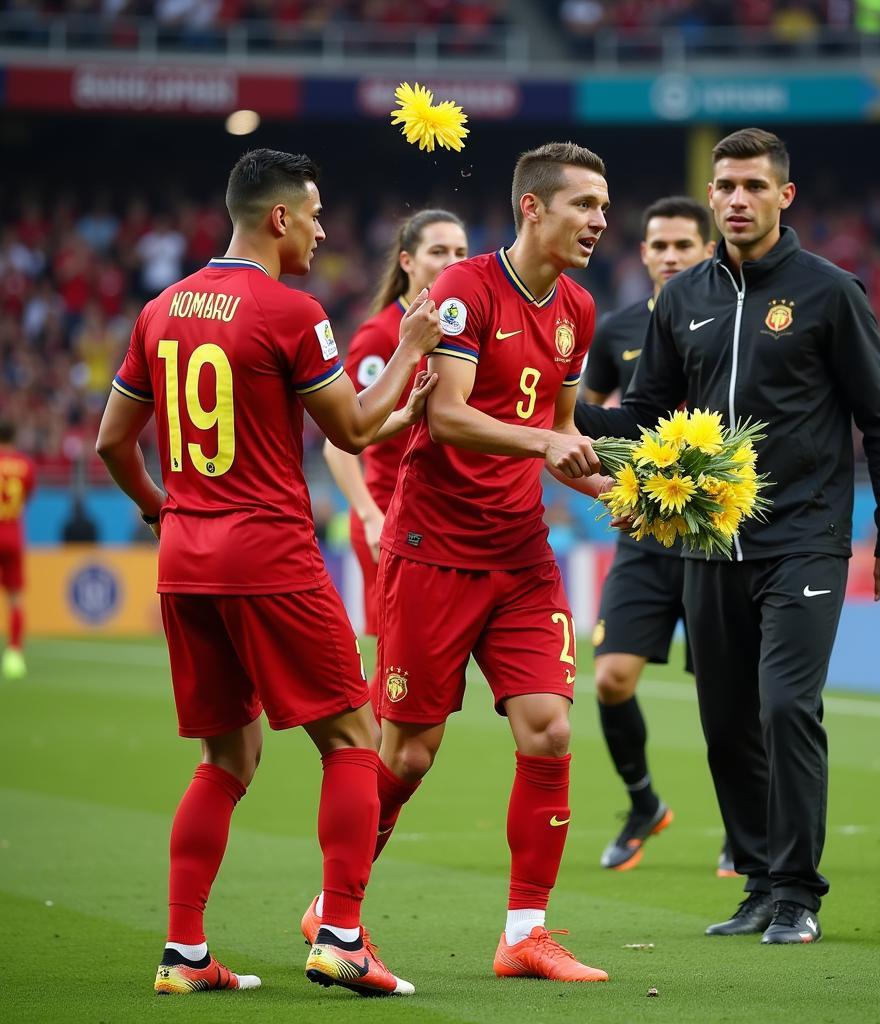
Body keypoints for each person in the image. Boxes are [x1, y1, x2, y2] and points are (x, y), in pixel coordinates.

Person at [95, 148, 441, 996]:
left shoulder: (161, 307)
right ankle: (345, 938)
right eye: (316, 214)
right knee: (354, 739)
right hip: (269, 551)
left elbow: (112, 443)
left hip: (185, 559)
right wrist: (411, 344)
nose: (325, 229)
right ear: (279, 217)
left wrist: (161, 511)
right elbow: (354, 430)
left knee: (228, 756)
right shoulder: (291, 311)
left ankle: (182, 953)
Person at [575, 128, 880, 944]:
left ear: (783, 196)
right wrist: (554, 418)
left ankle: (799, 892)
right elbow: (644, 413)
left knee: (784, 705)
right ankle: (762, 882)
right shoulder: (682, 299)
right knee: (725, 719)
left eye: (752, 187)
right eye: (725, 185)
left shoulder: (832, 292)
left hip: (803, 538)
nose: (736, 200)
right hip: (702, 543)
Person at [302, 141, 610, 982]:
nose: (600, 220)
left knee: (548, 730)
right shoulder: (462, 291)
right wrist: (548, 440)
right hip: (431, 550)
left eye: (604, 205)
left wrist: (624, 490)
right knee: (407, 755)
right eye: (584, 204)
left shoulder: (578, 309)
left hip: (520, 554)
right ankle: (337, 912)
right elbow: (446, 415)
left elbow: (562, 433)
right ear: (533, 209)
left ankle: (525, 933)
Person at [581, 196, 734, 874]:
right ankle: (645, 804)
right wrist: (613, 486)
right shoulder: (616, 330)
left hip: (717, 536)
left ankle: (745, 829)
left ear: (707, 250)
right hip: (646, 531)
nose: (669, 255)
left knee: (729, 698)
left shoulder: (737, 320)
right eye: (658, 245)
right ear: (642, 253)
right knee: (611, 679)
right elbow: (589, 417)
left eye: (682, 245)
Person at [323, 209, 468, 636]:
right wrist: (369, 515)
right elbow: (339, 441)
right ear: (407, 261)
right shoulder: (383, 335)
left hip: (440, 516)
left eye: (461, 251)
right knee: (401, 659)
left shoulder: (459, 328)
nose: (452, 262)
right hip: (389, 513)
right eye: (438, 251)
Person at [0, 422, 35, 681]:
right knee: (15, 598)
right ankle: (14, 654)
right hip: (12, 534)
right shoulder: (25, 465)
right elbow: (26, 497)